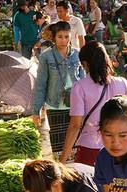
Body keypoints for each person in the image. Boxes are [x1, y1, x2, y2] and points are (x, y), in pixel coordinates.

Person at [61, 41, 127, 165]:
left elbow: (75, 126)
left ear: (85, 64)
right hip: (121, 148)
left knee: (90, 184)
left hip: (90, 149)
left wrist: (61, 161)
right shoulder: (123, 83)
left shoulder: (79, 87)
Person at [32, 21, 86, 159]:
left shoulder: (77, 54)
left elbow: (84, 80)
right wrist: (36, 110)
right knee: (58, 150)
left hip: (76, 104)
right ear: (54, 38)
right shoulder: (46, 56)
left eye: (67, 37)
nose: (64, 40)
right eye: (60, 37)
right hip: (54, 105)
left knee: (76, 147)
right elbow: (40, 84)